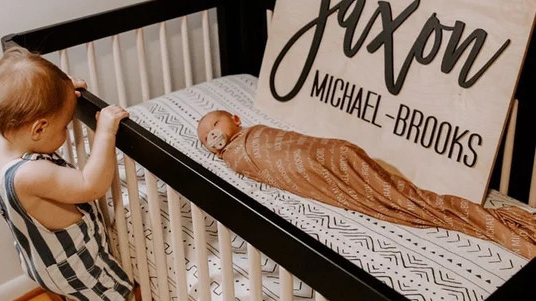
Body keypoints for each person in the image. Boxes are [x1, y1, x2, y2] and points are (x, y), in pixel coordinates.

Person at [198, 110, 536, 260]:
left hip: (325, 153)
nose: (212, 133)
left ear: (236, 119)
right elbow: (261, 166)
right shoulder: (236, 156)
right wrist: (227, 152)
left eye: (215, 122)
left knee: (397, 190)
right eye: (206, 137)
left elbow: (293, 143)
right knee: (395, 195)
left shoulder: (256, 133)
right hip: (312, 169)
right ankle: (500, 222)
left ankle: (501, 221)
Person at [0, 47, 134, 301]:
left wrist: (61, 95)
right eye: (64, 125)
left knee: (75, 292)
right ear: (39, 128)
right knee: (113, 298)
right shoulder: (31, 174)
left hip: (41, 260)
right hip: (76, 258)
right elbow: (91, 185)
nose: (67, 130)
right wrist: (105, 132)